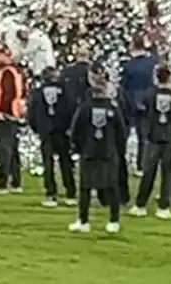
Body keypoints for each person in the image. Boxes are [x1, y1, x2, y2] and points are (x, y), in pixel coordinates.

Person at [68, 69, 127, 234]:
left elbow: (75, 131)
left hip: (89, 152)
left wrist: (76, 148)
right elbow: (122, 132)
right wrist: (118, 150)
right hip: (108, 152)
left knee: (85, 188)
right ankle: (113, 221)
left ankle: (83, 221)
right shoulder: (113, 108)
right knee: (112, 186)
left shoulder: (85, 108)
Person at [131, 63, 171, 219]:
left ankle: (141, 204)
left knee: (148, 172)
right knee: (167, 173)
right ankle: (164, 207)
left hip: (153, 137)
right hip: (170, 136)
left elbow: (143, 112)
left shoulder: (149, 94)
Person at [28, 65, 75, 208]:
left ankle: (50, 194)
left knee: (48, 164)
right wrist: (68, 128)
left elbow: (31, 113)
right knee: (65, 162)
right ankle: (70, 192)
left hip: (46, 131)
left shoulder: (37, 92)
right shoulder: (65, 91)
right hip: (61, 130)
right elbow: (71, 109)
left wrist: (37, 129)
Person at [0, 45, 25, 194]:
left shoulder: (7, 73)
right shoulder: (13, 72)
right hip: (11, 115)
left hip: (4, 116)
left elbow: (8, 94)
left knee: (4, 150)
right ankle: (15, 182)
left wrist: (0, 112)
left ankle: (2, 183)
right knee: (12, 150)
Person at [118, 33, 155, 172]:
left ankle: (121, 163)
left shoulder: (128, 65)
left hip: (130, 103)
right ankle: (142, 165)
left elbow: (123, 86)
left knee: (124, 136)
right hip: (147, 102)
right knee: (144, 137)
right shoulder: (152, 63)